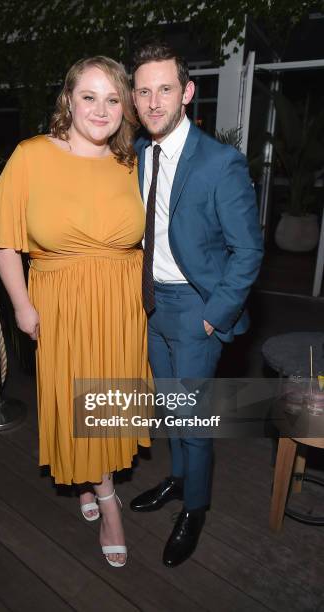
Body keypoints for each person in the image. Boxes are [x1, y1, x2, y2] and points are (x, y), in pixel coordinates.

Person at [0, 56, 152, 568]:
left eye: (113, 98)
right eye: (90, 97)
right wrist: (22, 305)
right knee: (79, 398)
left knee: (106, 400)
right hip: (61, 299)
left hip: (120, 302)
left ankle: (91, 480)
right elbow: (3, 241)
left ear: (125, 107)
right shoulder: (31, 155)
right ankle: (108, 500)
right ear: (68, 100)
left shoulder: (129, 162)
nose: (101, 109)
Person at [130, 42, 264, 568]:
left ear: (186, 92)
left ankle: (197, 508)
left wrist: (214, 315)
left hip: (195, 309)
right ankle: (179, 480)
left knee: (194, 418)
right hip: (151, 304)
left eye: (165, 88)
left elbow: (249, 250)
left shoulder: (220, 162)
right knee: (171, 410)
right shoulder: (140, 153)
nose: (154, 101)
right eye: (143, 91)